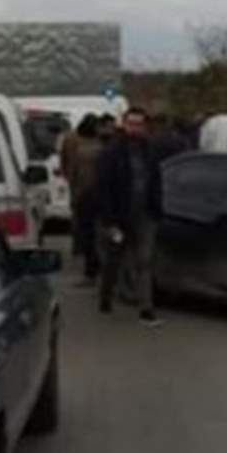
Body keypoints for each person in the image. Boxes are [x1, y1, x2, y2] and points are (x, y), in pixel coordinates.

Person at [94, 106, 165, 327]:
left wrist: (156, 208)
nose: (135, 128)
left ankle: (146, 308)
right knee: (114, 261)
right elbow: (103, 187)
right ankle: (105, 296)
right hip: (119, 216)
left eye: (139, 124)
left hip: (145, 215)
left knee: (144, 261)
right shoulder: (111, 152)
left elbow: (156, 181)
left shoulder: (149, 151)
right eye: (131, 124)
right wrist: (110, 221)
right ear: (123, 125)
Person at [61, 115, 105, 282]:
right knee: (96, 233)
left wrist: (73, 191)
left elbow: (70, 170)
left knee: (87, 232)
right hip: (97, 195)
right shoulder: (102, 147)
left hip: (84, 194)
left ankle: (90, 268)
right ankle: (97, 266)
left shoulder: (79, 148)